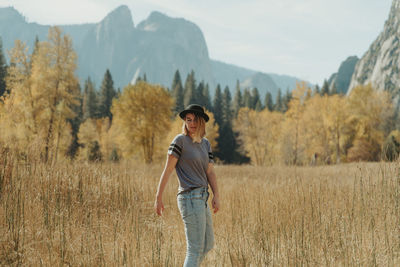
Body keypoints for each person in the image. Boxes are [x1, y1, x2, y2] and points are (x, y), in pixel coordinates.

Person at [154, 104, 220, 267]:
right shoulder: (180, 141)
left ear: (202, 122)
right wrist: (158, 197)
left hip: (203, 197)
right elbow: (168, 170)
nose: (191, 123)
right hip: (189, 197)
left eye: (195, 120)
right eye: (188, 120)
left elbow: (210, 172)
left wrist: (216, 195)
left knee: (208, 244)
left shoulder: (205, 144)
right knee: (195, 249)